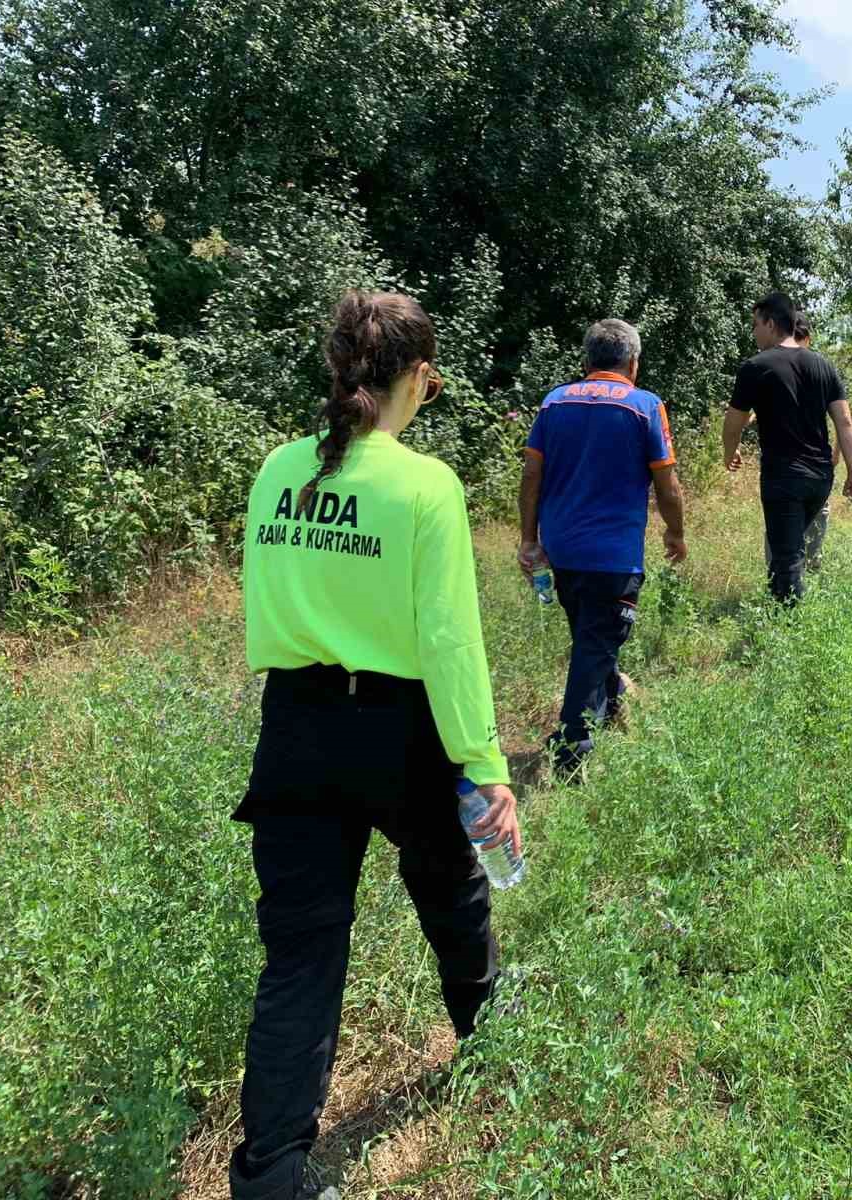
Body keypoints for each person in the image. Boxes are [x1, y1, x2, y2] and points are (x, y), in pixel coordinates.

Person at [231, 291, 520, 1200]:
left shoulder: (277, 469)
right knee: (453, 894)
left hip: (295, 727)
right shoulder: (425, 484)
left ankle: (271, 1173)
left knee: (302, 956)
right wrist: (483, 763)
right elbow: (448, 640)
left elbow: (262, 607)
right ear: (419, 378)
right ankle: (492, 1043)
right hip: (398, 729)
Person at [518, 318, 687, 774]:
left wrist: (528, 539)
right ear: (633, 362)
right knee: (594, 644)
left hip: (562, 551)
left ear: (586, 361)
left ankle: (612, 704)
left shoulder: (554, 403)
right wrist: (676, 532)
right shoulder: (645, 406)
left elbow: (531, 476)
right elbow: (666, 484)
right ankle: (571, 748)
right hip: (613, 557)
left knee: (592, 636)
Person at [724, 291, 852, 603]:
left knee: (786, 556)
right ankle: (785, 605)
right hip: (820, 478)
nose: (754, 331)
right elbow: (845, 423)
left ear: (771, 324)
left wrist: (729, 451)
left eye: (755, 324)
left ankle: (786, 626)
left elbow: (733, 422)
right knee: (791, 546)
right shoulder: (824, 366)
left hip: (783, 477)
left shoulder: (755, 367)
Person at [762, 313, 840, 571]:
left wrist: (837, 458)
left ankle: (798, 586)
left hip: (810, 471)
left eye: (798, 339)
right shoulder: (776, 369)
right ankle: (784, 590)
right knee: (783, 539)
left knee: (808, 537)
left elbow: (843, 422)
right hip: (789, 472)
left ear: (807, 339)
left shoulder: (818, 369)